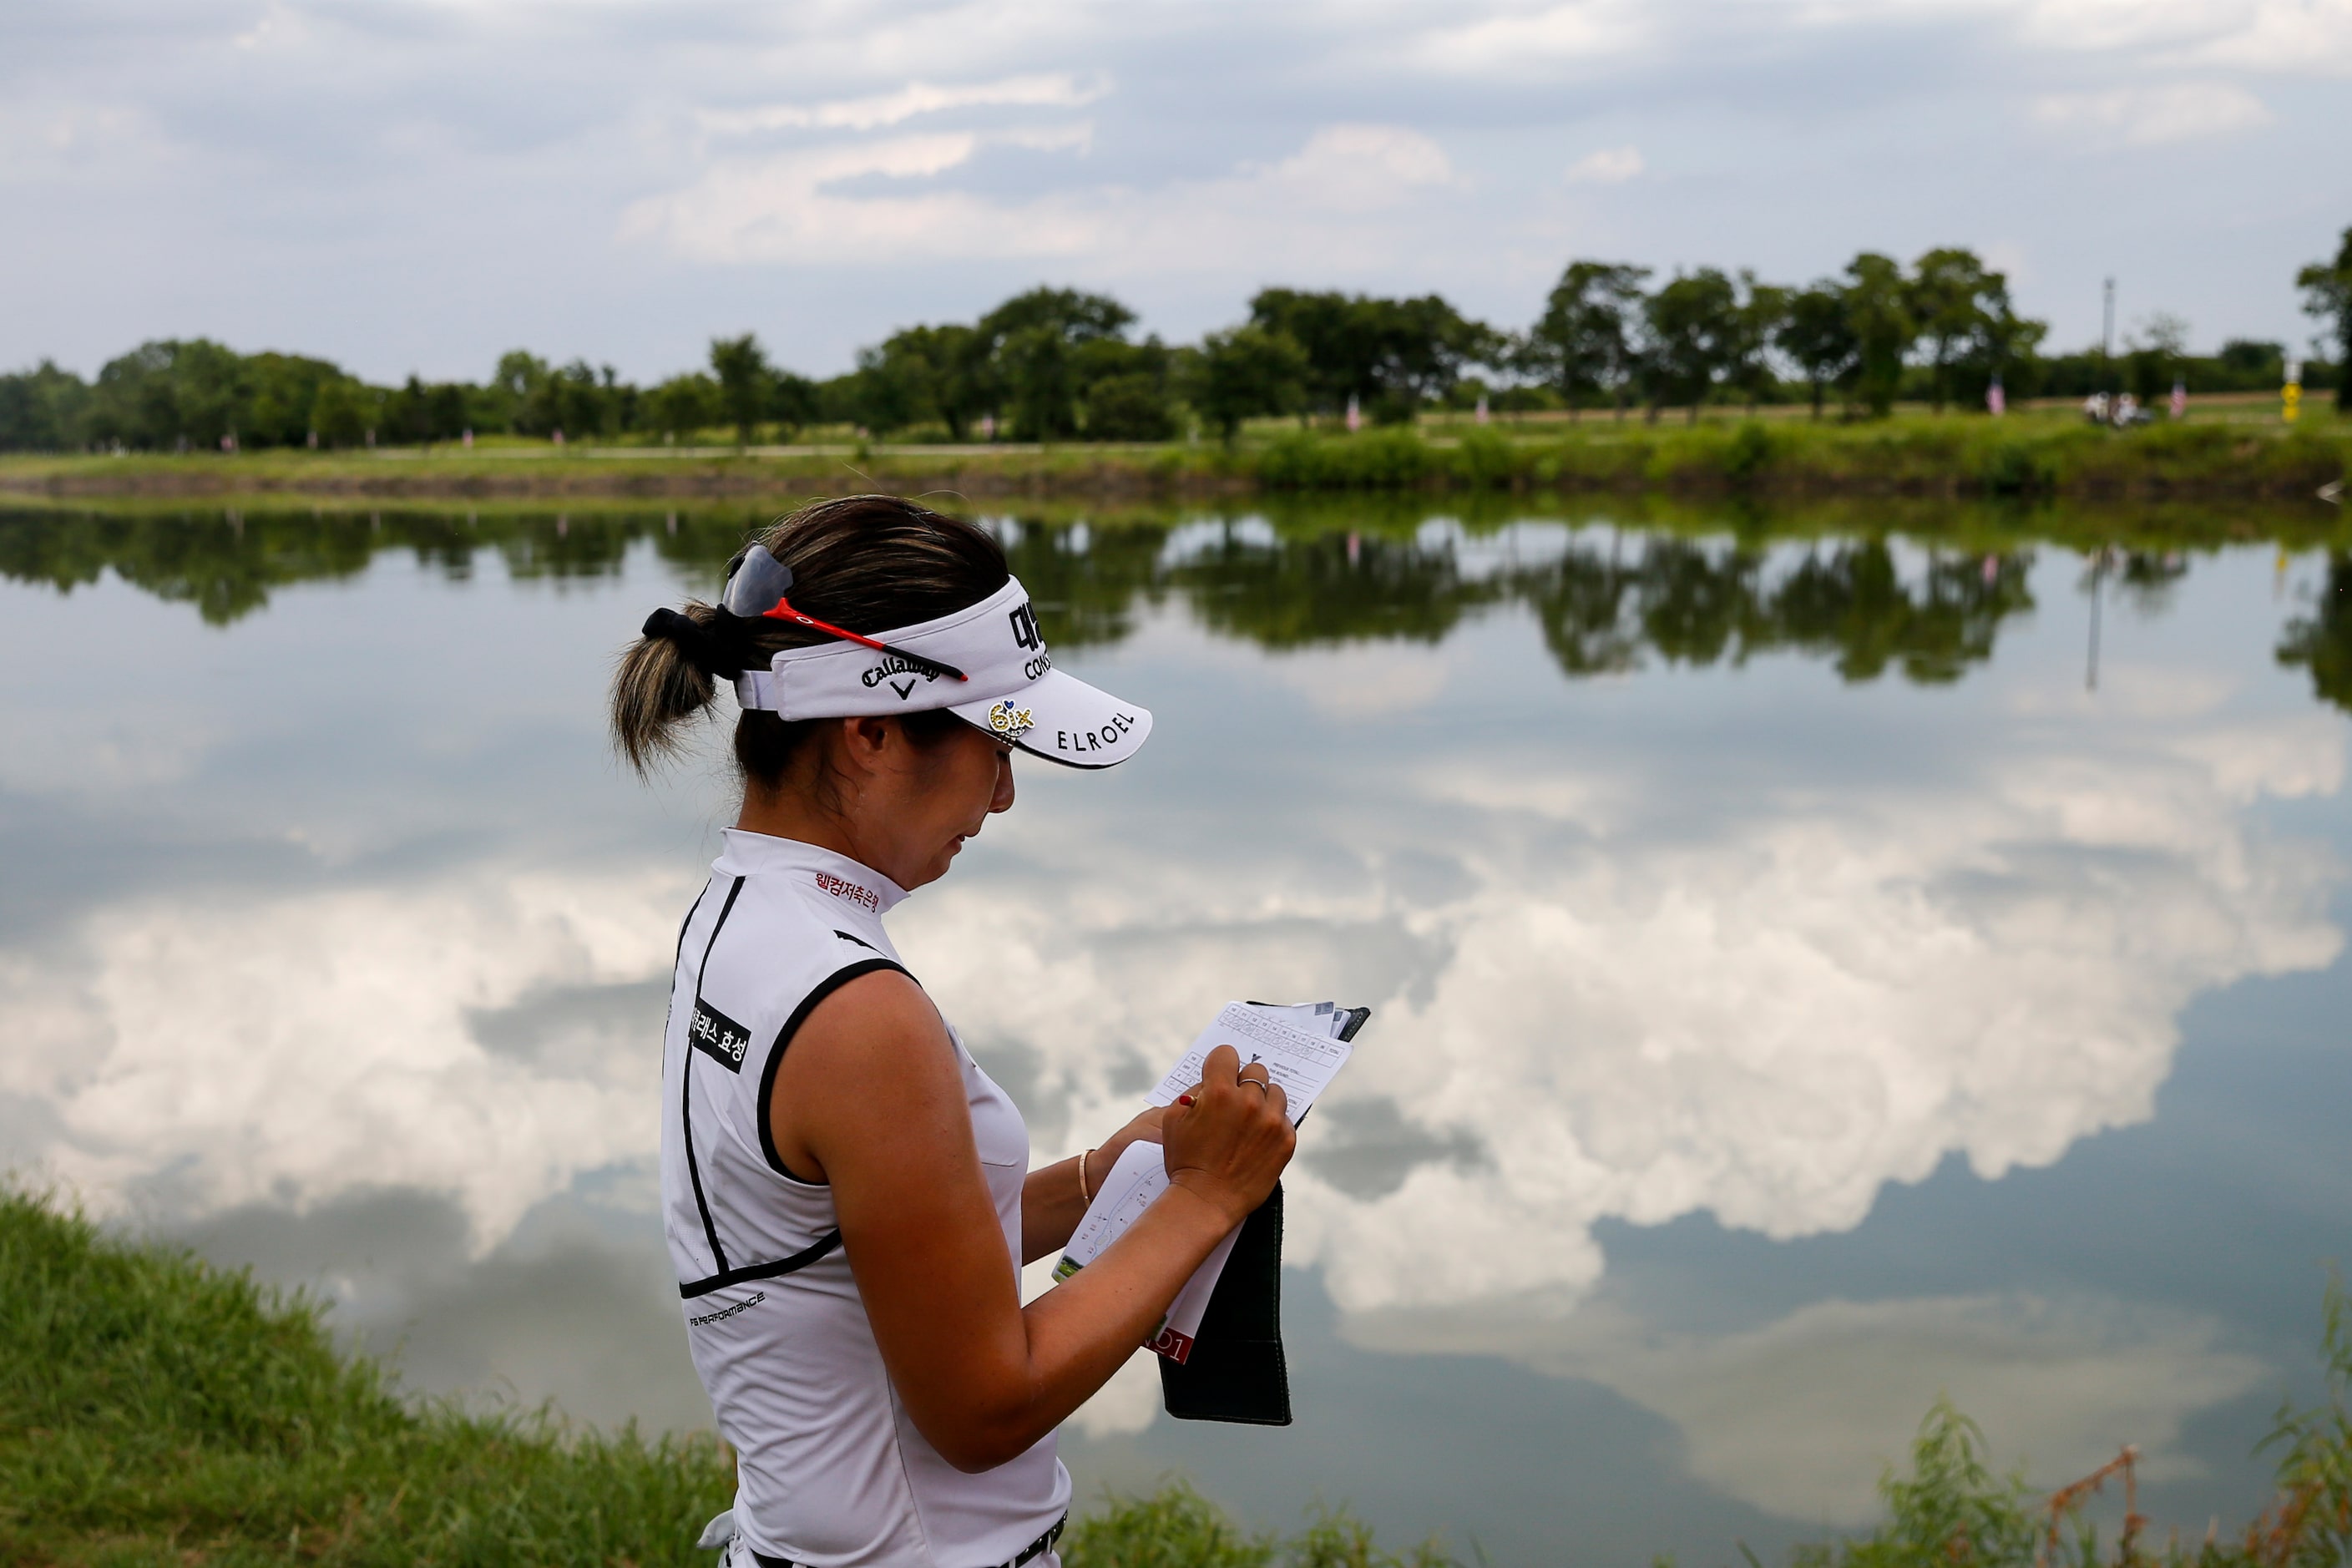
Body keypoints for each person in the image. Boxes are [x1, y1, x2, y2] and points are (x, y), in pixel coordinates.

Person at [611, 495, 1297, 1568]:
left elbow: (855, 1256)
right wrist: (1208, 1198)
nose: (1007, 796)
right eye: (997, 744)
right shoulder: (860, 1013)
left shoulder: (742, 919)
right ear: (871, 730)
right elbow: (982, 1409)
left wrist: (1101, 1178)